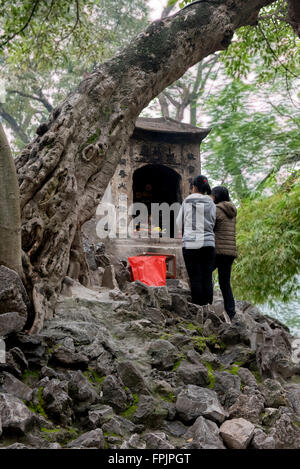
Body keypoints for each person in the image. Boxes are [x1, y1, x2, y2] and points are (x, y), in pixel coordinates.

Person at [176, 175, 216, 306]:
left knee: (195, 278)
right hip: (209, 244)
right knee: (206, 277)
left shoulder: (187, 201)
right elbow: (214, 221)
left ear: (194, 187)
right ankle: (209, 309)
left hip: (191, 243)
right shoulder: (211, 202)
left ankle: (199, 309)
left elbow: (178, 222)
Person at [211, 185, 238, 321]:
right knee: (225, 283)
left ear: (217, 196)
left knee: (204, 273)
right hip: (230, 252)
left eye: (213, 195)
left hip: (218, 250)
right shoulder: (232, 212)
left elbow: (210, 227)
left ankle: (206, 305)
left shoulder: (216, 210)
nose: (211, 197)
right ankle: (231, 313)